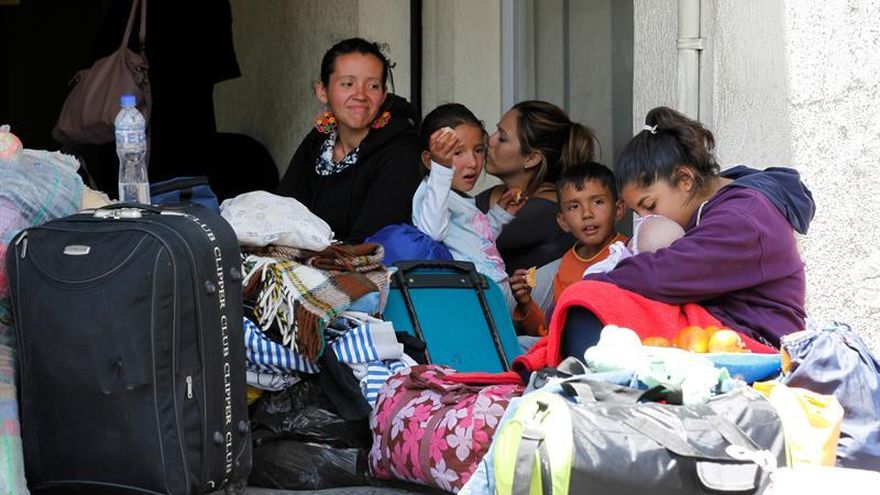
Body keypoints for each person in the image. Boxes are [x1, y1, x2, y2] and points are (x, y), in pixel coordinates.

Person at [513, 106, 815, 376]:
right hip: (715, 322)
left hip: (753, 342)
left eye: (650, 205)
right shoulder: (721, 204)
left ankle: (585, 379)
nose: (647, 220)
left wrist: (595, 283)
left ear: (685, 180)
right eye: (638, 212)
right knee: (591, 301)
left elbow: (667, 273)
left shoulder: (745, 216)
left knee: (590, 299)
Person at [277, 37, 421, 243]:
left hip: (363, 261)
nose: (360, 95)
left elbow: (371, 242)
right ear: (323, 91)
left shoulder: (401, 151)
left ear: (383, 95)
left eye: (373, 86)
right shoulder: (319, 140)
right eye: (347, 84)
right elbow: (282, 211)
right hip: (308, 257)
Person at [476, 100, 597, 274]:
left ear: (531, 158)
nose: (490, 140)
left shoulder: (546, 210)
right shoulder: (496, 195)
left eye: (502, 138)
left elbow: (467, 240)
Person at [509, 162, 626, 338]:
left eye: (597, 202)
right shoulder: (567, 265)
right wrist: (526, 303)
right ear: (563, 221)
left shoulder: (630, 253)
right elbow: (551, 332)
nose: (587, 214)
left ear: (619, 210)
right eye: (574, 206)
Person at [412, 103, 524, 287]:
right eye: (457, 153)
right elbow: (432, 232)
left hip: (492, 291)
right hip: (472, 295)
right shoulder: (430, 194)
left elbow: (476, 241)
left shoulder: (456, 197)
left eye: (478, 150)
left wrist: (498, 215)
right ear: (429, 160)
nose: (473, 162)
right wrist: (442, 169)